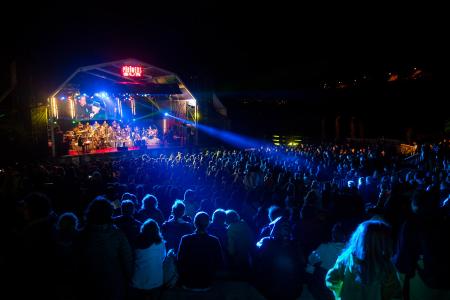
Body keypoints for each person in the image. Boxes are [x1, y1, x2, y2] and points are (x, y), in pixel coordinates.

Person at [326, 220, 402, 300]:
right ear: (382, 241)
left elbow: (331, 279)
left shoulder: (346, 259)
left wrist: (341, 294)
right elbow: (394, 294)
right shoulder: (386, 266)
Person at [76, 196, 133, 300]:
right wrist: (129, 280)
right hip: (113, 284)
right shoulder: (118, 235)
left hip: (88, 283)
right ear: (109, 213)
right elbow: (127, 260)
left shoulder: (80, 235)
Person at [177, 212, 224, 290]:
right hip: (207, 282)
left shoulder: (185, 239)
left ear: (194, 223)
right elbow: (219, 261)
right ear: (208, 224)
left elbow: (180, 260)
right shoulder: (214, 240)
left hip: (189, 282)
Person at [131, 219, 166, 300]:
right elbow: (163, 258)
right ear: (157, 230)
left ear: (143, 229)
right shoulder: (161, 243)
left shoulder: (136, 243)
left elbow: (131, 259)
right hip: (155, 281)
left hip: (137, 281)